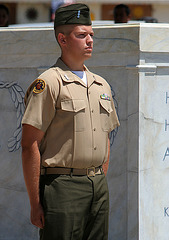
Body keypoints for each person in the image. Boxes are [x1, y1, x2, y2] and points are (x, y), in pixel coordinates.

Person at [21, 3, 120, 240]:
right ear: (63, 39)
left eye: (91, 35)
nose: (90, 41)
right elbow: (29, 145)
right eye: (81, 35)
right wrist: (35, 203)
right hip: (62, 187)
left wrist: (98, 178)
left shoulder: (101, 85)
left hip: (98, 186)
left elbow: (105, 136)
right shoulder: (48, 83)